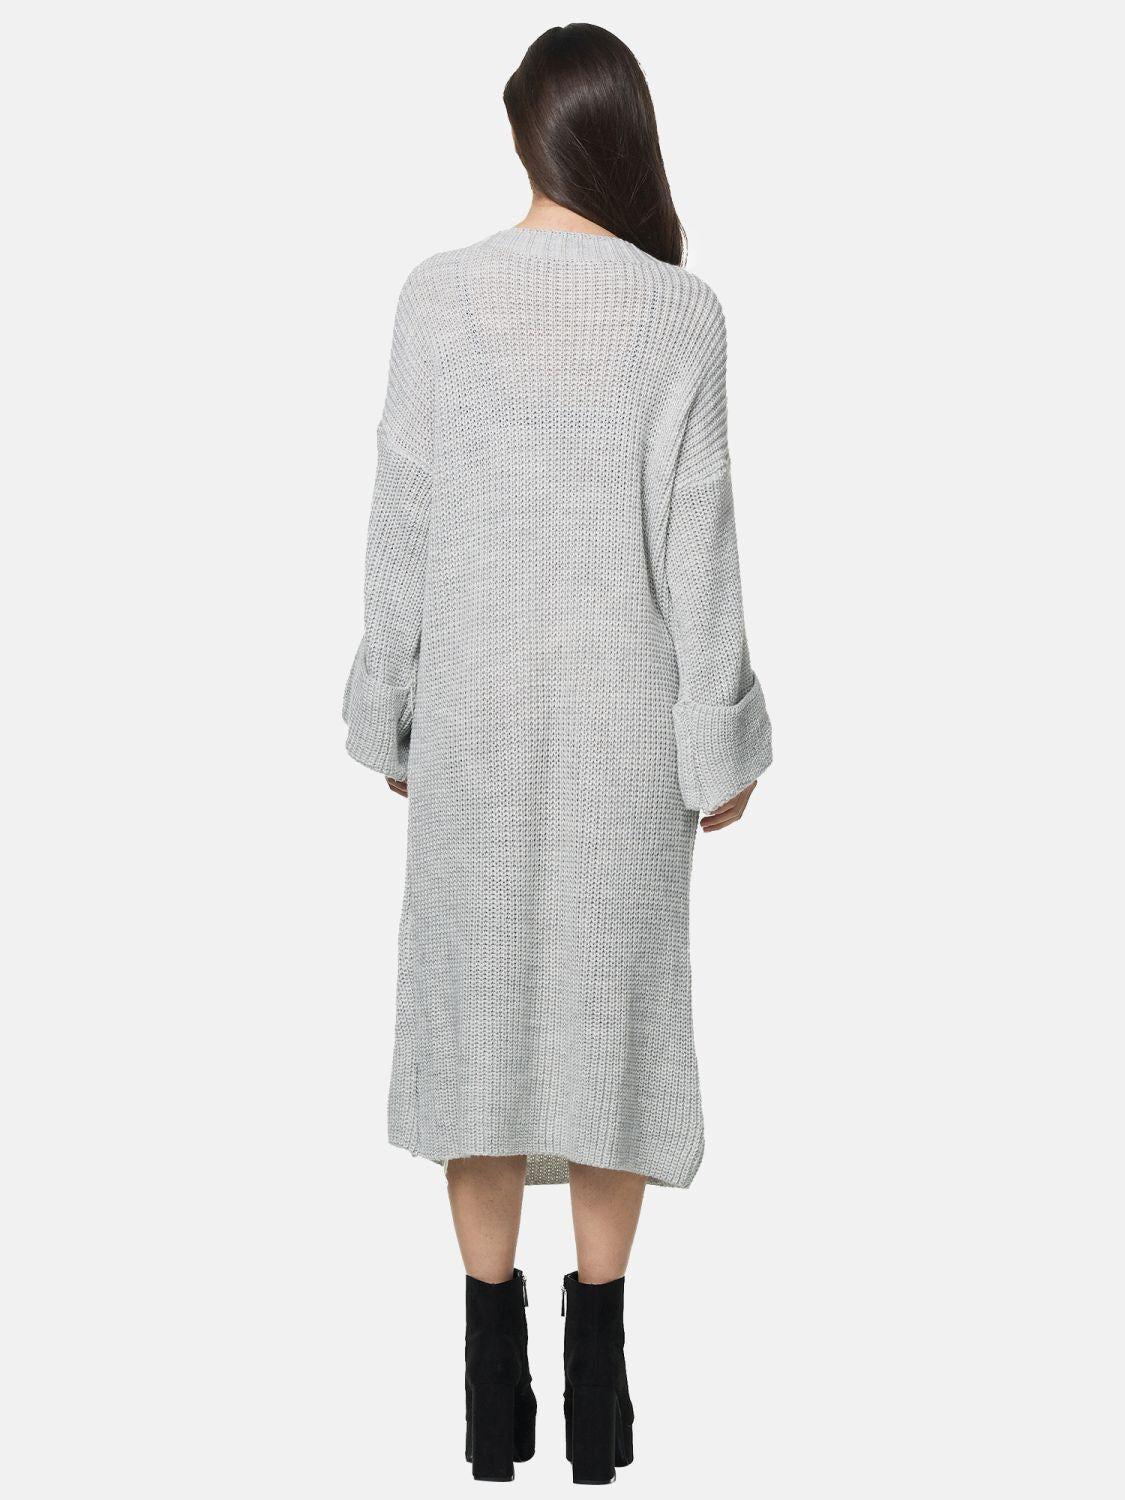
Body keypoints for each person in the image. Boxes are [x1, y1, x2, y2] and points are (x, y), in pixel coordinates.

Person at [342, 22, 773, 1485]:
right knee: (608, 1031)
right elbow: (700, 553)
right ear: (624, 138)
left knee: (476, 1028)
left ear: (525, 134)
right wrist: (718, 743)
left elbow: (400, 521)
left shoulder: (437, 299)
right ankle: (599, 1391)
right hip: (623, 743)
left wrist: (387, 707)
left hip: (472, 730)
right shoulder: (682, 316)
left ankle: (487, 1395)